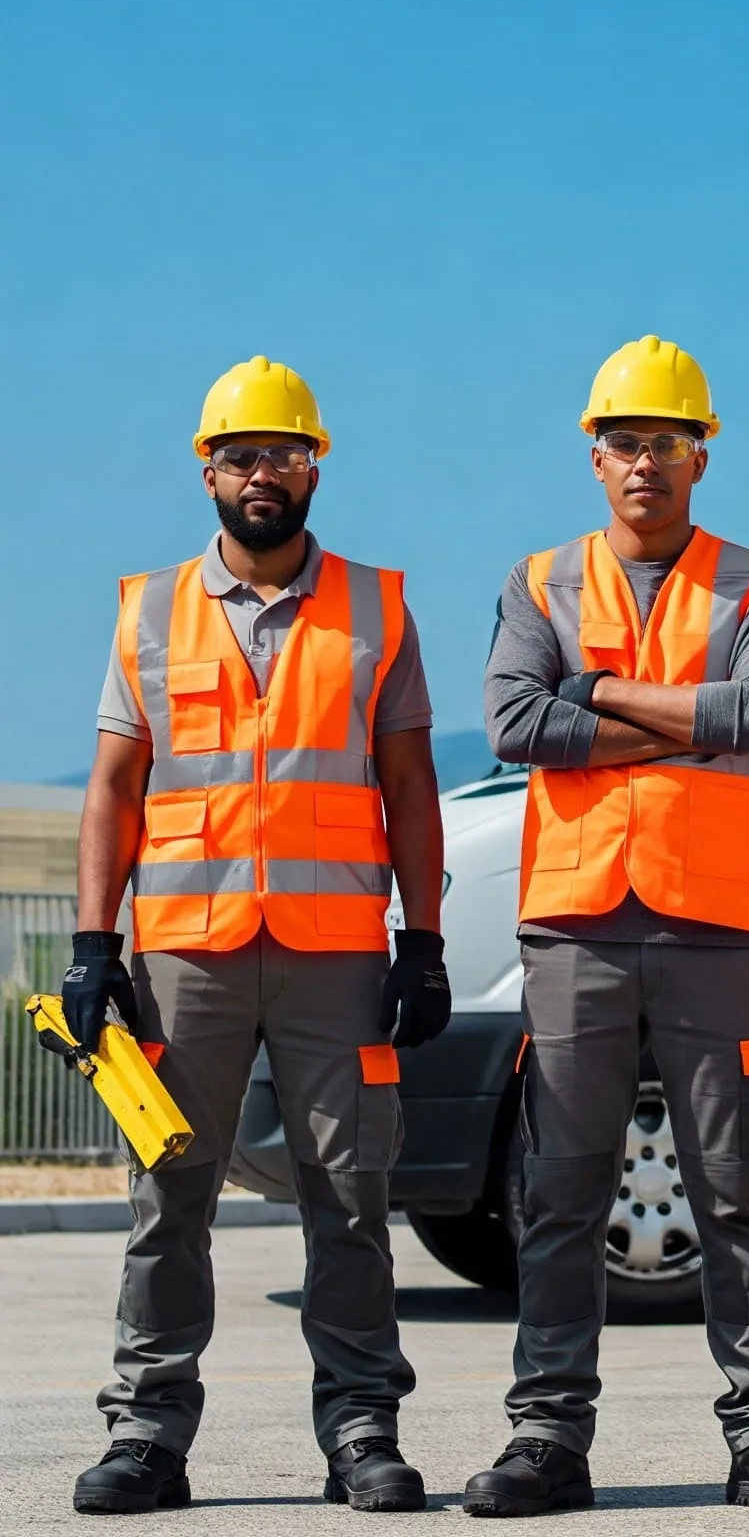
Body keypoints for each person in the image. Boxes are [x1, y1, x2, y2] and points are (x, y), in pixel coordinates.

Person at [463, 335, 749, 1518]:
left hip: (713, 927)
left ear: (700, 453)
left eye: (664, 441)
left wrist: (604, 691)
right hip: (575, 924)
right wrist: (683, 721)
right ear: (595, 456)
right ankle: (546, 1437)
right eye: (624, 441)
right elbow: (513, 723)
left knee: (737, 1187)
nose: (644, 461)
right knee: (562, 1186)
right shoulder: (540, 579)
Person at [67, 356, 448, 1515]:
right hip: (187, 951)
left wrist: (422, 939)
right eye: (240, 455)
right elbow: (112, 790)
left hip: (336, 948)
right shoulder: (147, 606)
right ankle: (146, 1433)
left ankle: (361, 1429)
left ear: (314, 463)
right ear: (207, 470)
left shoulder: (377, 604)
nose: (261, 472)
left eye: (282, 452)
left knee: (350, 1192)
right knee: (167, 1190)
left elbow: (411, 783)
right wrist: (94, 942)